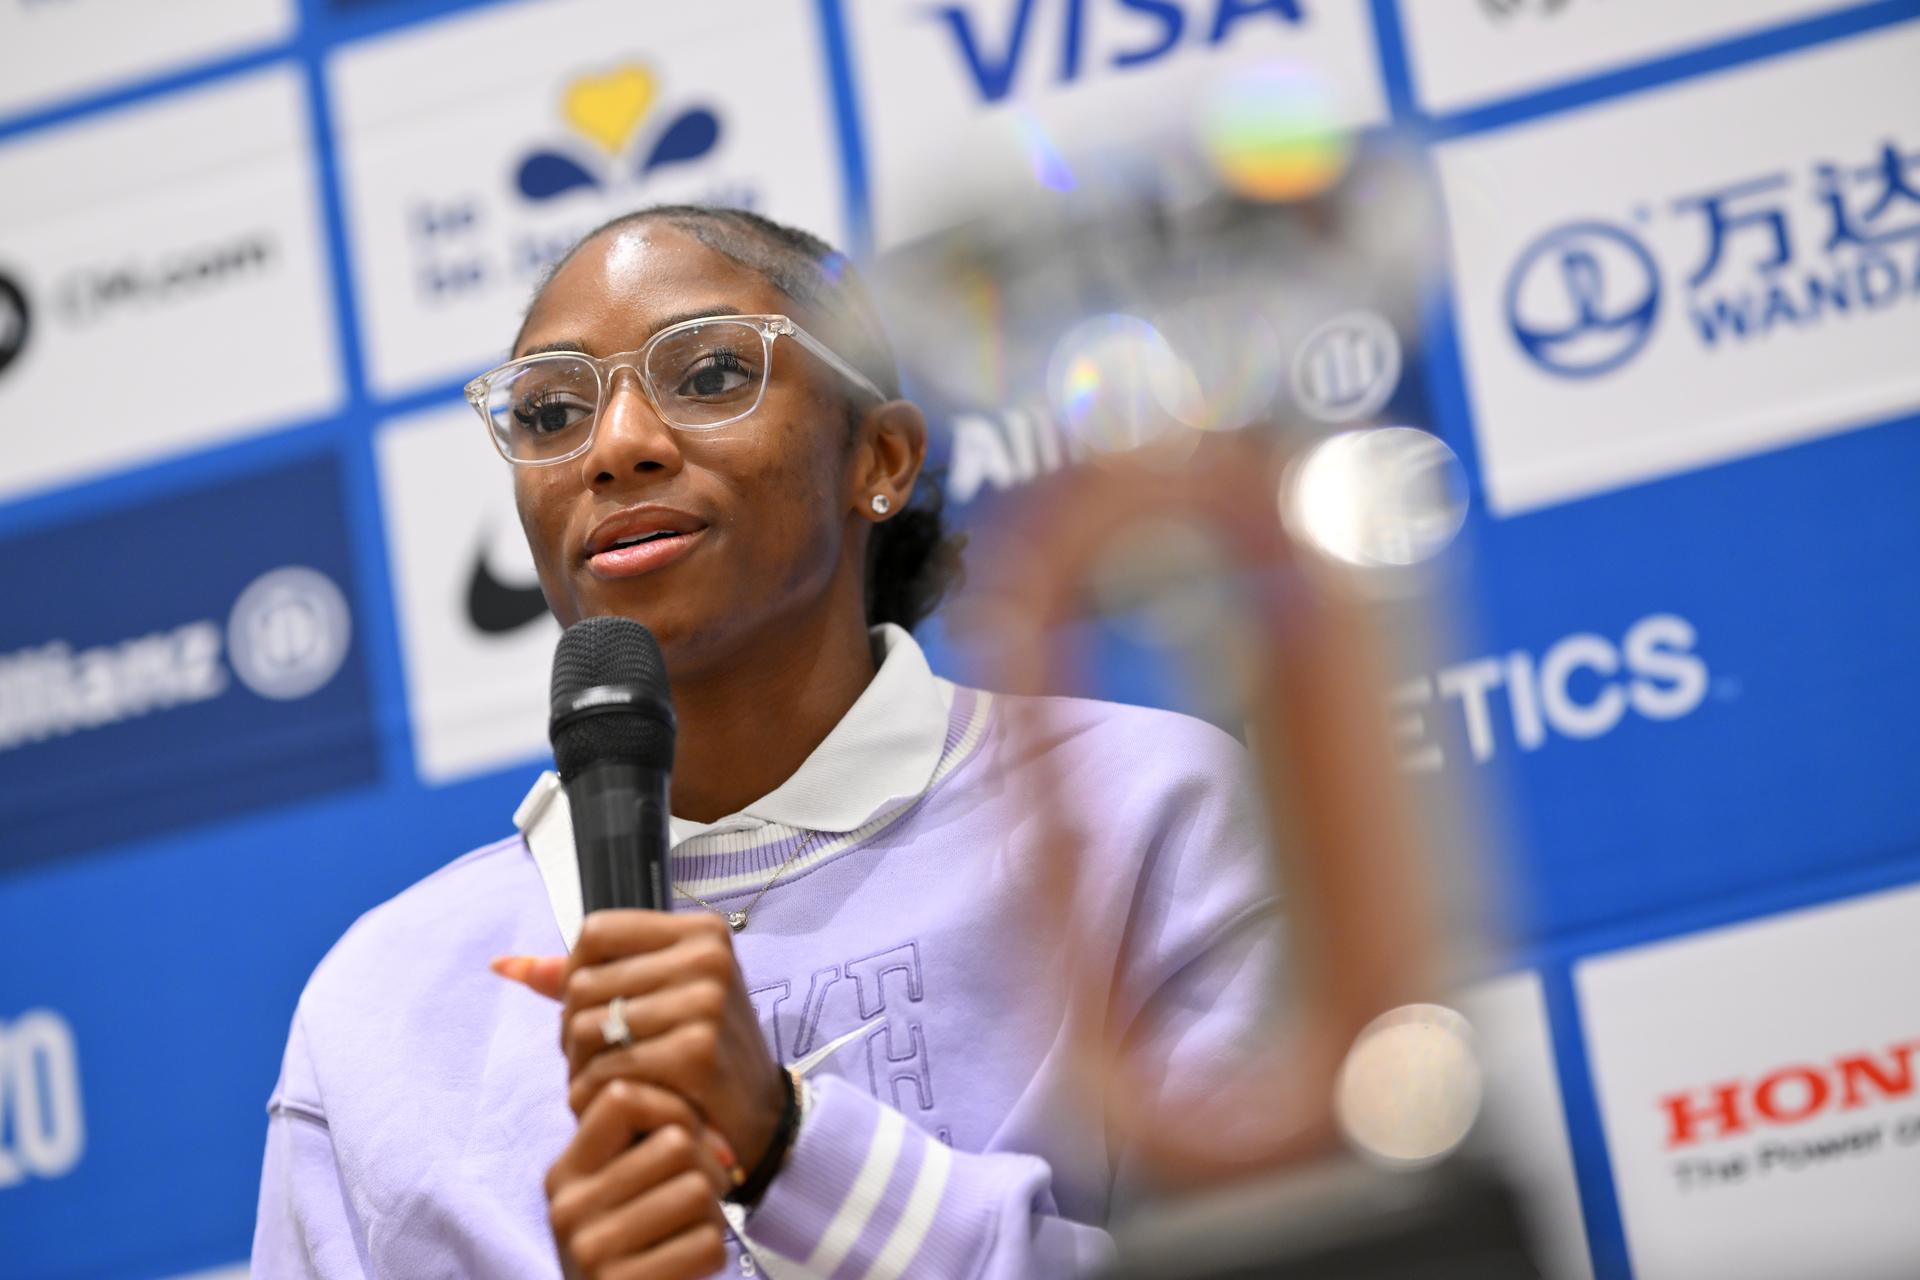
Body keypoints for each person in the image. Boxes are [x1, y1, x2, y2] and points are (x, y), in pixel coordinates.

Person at [252, 205, 1280, 1280]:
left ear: (880, 456)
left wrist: (791, 1152)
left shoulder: (1140, 813)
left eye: (708, 376)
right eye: (552, 411)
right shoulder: (375, 1011)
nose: (616, 446)